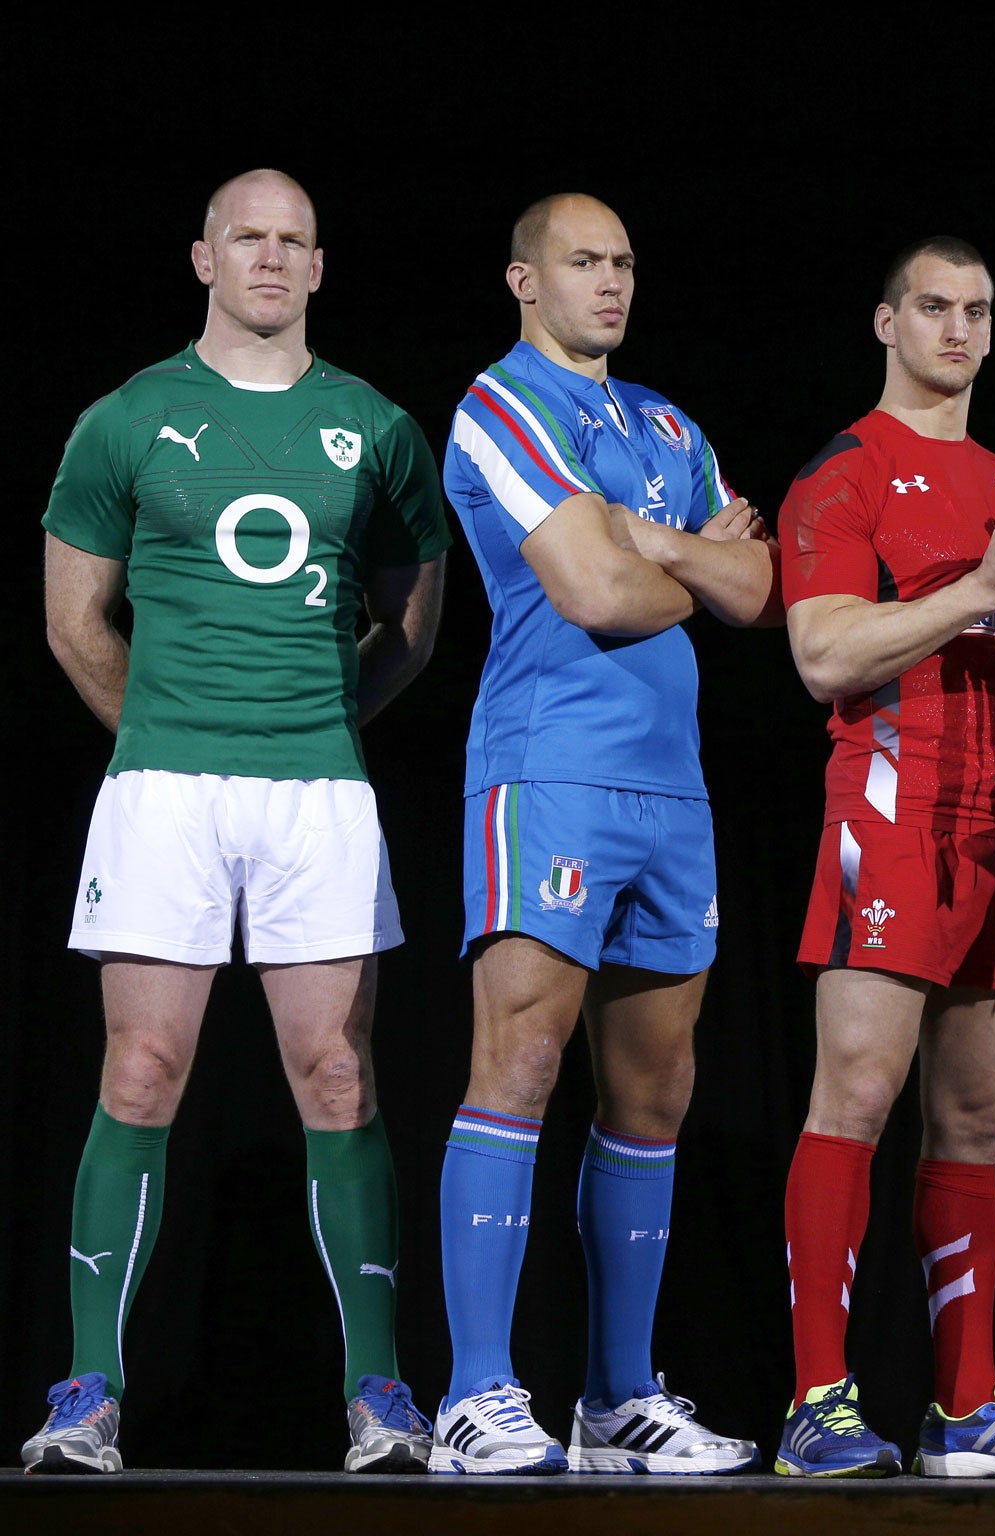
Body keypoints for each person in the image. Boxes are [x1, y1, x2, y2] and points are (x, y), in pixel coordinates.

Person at [24, 170, 449, 1474]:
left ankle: (377, 1391)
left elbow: (415, 622)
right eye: (245, 238)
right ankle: (89, 1392)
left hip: (319, 791)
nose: (269, 258)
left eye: (293, 242)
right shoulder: (127, 419)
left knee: (338, 1075)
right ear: (202, 256)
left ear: (320, 267)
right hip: (164, 791)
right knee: (141, 1071)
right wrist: (166, 736)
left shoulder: (373, 424)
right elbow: (72, 622)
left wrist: (309, 722)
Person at [432, 193, 778, 1476]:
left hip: (669, 790)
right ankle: (477, 1390)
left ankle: (617, 1398)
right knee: (518, 1062)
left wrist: (649, 540)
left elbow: (756, 587)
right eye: (584, 262)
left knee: (657, 1089)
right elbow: (590, 592)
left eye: (624, 261)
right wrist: (676, 551)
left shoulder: (669, 424)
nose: (610, 283)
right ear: (524, 279)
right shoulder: (503, 404)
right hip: (549, 774)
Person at [773, 236, 995, 1480]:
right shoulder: (844, 472)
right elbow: (822, 655)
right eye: (933, 308)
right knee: (853, 1099)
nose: (957, 330)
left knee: (979, 1119)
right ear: (885, 321)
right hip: (888, 815)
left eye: (976, 309)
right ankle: (819, 1400)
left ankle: (968, 1408)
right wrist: (979, 585)